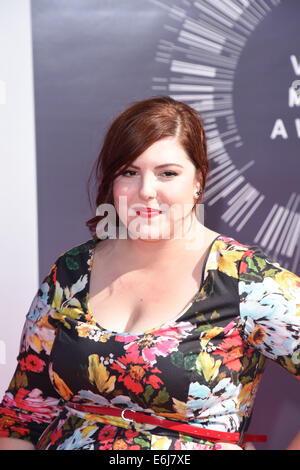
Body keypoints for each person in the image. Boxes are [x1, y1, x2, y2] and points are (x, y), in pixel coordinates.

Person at [0, 96, 299, 451]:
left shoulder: (245, 279)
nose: (146, 191)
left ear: (198, 181)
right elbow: (22, 413)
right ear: (112, 181)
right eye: (129, 172)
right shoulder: (71, 272)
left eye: (167, 173)